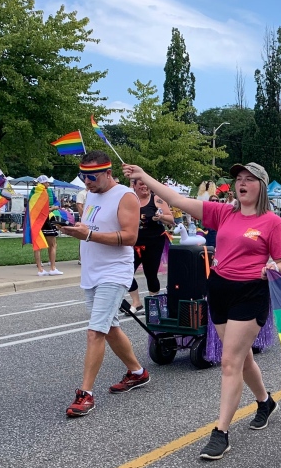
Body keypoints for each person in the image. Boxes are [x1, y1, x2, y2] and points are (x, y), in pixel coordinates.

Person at [126, 161, 281, 460]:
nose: (241, 183)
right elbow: (176, 201)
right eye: (238, 178)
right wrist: (143, 176)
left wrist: (272, 267)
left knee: (230, 361)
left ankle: (221, 432)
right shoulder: (223, 213)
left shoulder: (272, 223)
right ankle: (265, 401)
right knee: (241, 357)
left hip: (250, 293)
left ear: (261, 186)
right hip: (219, 290)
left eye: (249, 179)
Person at [57, 151, 147, 417]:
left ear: (108, 173)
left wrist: (90, 234)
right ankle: (137, 372)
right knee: (109, 328)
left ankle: (85, 394)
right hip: (92, 273)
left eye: (92, 177)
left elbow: (130, 237)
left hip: (114, 272)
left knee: (95, 330)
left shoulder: (125, 196)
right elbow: (93, 232)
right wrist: (76, 231)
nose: (87, 181)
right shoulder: (92, 195)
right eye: (83, 176)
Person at [127, 177, 174, 313]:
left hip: (154, 242)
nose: (144, 187)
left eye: (146, 184)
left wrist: (161, 217)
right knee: (126, 272)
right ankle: (136, 302)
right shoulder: (129, 199)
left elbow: (171, 219)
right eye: (141, 184)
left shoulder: (157, 199)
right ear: (134, 186)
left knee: (151, 274)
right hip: (134, 243)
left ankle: (153, 302)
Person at [30, 176, 63, 276]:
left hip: (36, 219)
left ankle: (40, 269)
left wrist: (55, 205)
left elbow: (31, 206)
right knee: (52, 244)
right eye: (47, 183)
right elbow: (47, 207)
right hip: (47, 218)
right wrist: (53, 208)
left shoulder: (34, 192)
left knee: (37, 245)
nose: (48, 184)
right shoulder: (43, 192)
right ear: (43, 183)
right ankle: (52, 268)